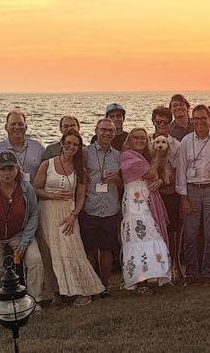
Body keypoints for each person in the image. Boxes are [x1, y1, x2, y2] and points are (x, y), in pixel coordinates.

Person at [33, 130, 105, 306]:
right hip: (47, 212)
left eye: (75, 145)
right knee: (50, 254)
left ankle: (84, 291)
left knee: (72, 251)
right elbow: (36, 189)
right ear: (62, 143)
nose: (71, 147)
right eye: (68, 143)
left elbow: (80, 196)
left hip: (68, 214)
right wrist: (52, 195)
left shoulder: (80, 170)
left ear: (79, 148)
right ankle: (58, 293)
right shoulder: (47, 164)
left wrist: (74, 215)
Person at [0, 151, 44, 301]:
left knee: (35, 260)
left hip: (19, 234)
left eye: (11, 168)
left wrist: (24, 242)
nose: (7, 173)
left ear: (17, 169)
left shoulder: (26, 188)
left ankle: (34, 299)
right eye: (3, 169)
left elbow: (33, 215)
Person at [176, 105, 210, 285]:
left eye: (203, 118)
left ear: (209, 119)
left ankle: (208, 273)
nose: (200, 122)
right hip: (191, 191)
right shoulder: (185, 141)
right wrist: (183, 197)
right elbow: (181, 170)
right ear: (192, 120)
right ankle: (191, 274)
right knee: (190, 234)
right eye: (196, 119)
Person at [120, 128, 173, 293]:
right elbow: (150, 173)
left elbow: (158, 177)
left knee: (154, 235)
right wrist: (158, 157)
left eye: (143, 138)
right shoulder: (127, 156)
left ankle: (156, 274)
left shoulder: (145, 157)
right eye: (136, 137)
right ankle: (140, 281)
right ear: (130, 139)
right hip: (135, 201)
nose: (140, 140)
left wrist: (160, 182)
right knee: (140, 237)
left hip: (148, 198)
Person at [80, 119, 123, 293]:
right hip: (90, 207)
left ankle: (105, 286)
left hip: (111, 208)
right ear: (96, 130)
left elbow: (123, 184)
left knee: (107, 250)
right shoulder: (85, 153)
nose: (106, 133)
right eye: (103, 129)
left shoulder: (118, 155)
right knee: (88, 249)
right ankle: (91, 285)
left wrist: (117, 179)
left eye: (110, 130)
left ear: (115, 132)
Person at [151, 106, 184, 283]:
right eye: (158, 121)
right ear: (153, 122)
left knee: (173, 232)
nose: (162, 124)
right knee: (154, 232)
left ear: (170, 123)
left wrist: (163, 182)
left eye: (165, 122)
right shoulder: (147, 142)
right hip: (151, 194)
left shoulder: (177, 145)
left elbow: (177, 172)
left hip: (170, 194)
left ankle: (175, 266)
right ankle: (157, 270)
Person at [0, 108, 46, 179]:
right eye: (13, 124)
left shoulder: (38, 148)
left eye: (20, 124)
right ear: (6, 127)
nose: (17, 127)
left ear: (26, 127)